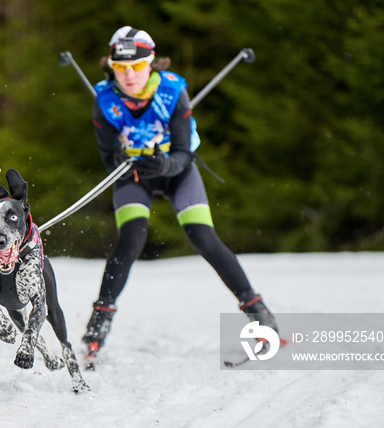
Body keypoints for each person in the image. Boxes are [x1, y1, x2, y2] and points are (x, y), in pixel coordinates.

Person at [82, 26, 278, 359]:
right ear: (111, 67)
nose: (129, 76)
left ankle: (260, 315)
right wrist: (119, 156)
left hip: (176, 171)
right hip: (133, 175)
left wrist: (164, 166)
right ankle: (98, 323)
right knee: (131, 238)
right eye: (121, 68)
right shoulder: (104, 100)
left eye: (137, 66)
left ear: (151, 62)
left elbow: (185, 153)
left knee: (202, 236)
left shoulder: (172, 91)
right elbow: (106, 157)